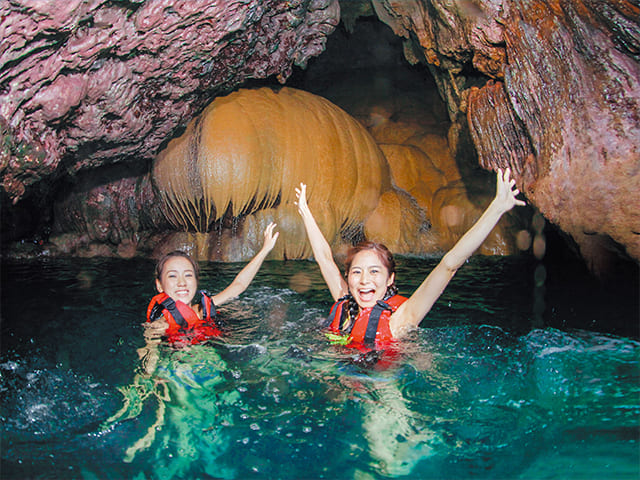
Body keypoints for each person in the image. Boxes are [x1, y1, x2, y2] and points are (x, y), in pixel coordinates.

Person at [295, 168, 525, 351]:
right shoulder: (344, 301)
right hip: (341, 373)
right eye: (357, 272)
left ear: (389, 280)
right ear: (348, 277)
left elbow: (449, 264)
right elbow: (324, 258)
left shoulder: (402, 318)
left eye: (374, 271)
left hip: (382, 386)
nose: (364, 279)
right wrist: (305, 211)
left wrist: (497, 208)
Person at [139, 222, 279, 371]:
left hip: (215, 365)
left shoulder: (202, 310)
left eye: (188, 275)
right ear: (159, 285)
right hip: (180, 371)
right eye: (172, 276)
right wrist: (147, 380)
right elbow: (148, 355)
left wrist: (265, 249)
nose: (181, 282)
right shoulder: (159, 326)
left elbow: (239, 286)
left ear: (196, 281)